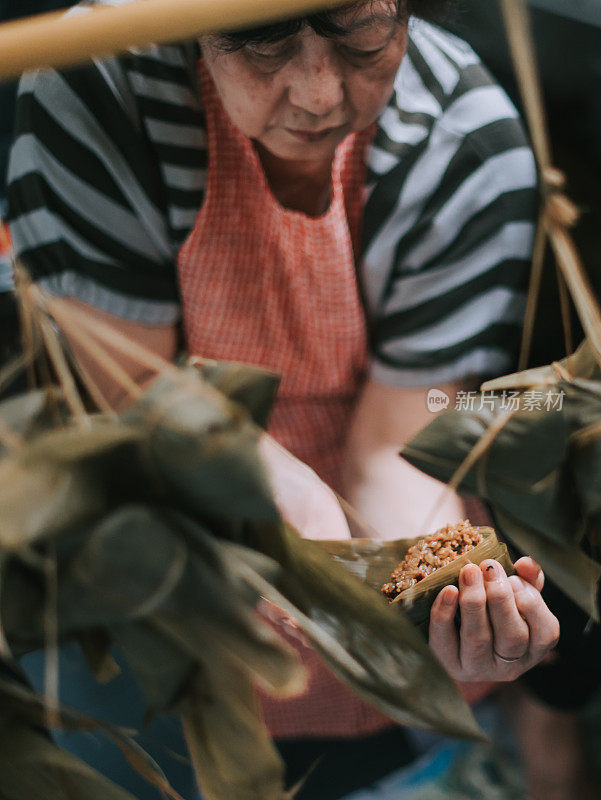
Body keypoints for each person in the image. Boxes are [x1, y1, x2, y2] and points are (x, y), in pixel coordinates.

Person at [7, 0, 560, 797]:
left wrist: (426, 592)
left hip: (353, 452)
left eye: (361, 38)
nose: (316, 94)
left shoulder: (466, 139)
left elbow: (394, 442)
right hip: (163, 478)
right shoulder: (97, 79)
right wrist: (291, 502)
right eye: (260, 43)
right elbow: (128, 382)